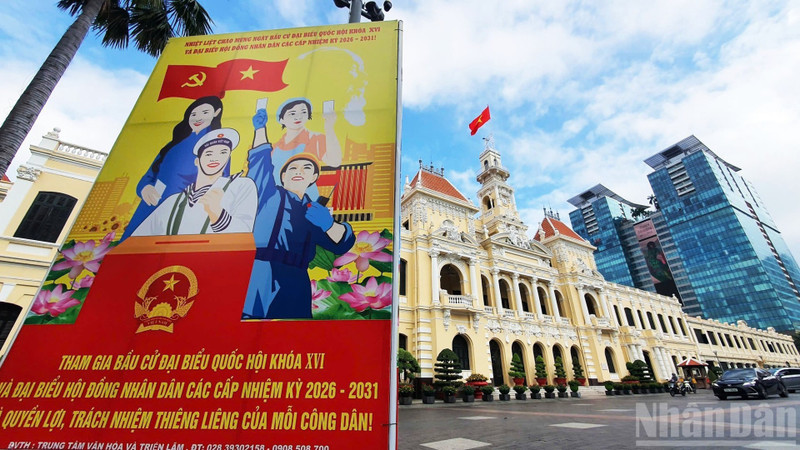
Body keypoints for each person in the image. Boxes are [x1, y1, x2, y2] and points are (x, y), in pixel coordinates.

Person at [242, 107, 355, 320]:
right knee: (251, 326)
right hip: (260, 273)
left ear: (313, 178)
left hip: (296, 280)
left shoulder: (314, 211)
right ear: (282, 176)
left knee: (292, 334)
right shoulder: (268, 194)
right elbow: (260, 164)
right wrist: (260, 130)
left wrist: (329, 225)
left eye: (306, 169)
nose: (298, 172)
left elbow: (342, 244)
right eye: (292, 169)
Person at [122, 96, 226, 240]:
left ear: (216, 113)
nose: (197, 118)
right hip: (153, 202)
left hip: (187, 208)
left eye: (205, 112)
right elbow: (150, 173)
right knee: (134, 249)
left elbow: (222, 182)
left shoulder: (218, 145)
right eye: (193, 114)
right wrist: (145, 187)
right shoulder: (173, 144)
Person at [133, 128, 256, 236]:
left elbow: (246, 233)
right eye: (209, 153)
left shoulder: (241, 186)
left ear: (228, 159)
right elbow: (138, 240)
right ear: (197, 161)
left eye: (223, 153)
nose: (215, 158)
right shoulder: (174, 201)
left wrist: (218, 214)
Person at [271, 98, 343, 200]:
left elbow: (335, 161)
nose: (298, 117)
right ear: (281, 119)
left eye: (303, 112)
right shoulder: (274, 147)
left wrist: (329, 127)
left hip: (305, 198)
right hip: (276, 200)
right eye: (292, 113)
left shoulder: (315, 138)